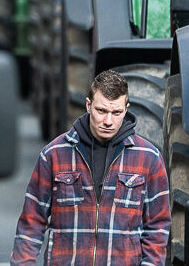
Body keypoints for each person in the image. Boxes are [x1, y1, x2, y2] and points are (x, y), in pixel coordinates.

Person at [11, 70, 170, 265]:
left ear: (126, 109)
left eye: (117, 112)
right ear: (88, 105)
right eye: (101, 111)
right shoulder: (54, 154)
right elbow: (32, 222)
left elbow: (158, 227)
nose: (108, 121)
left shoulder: (148, 158)